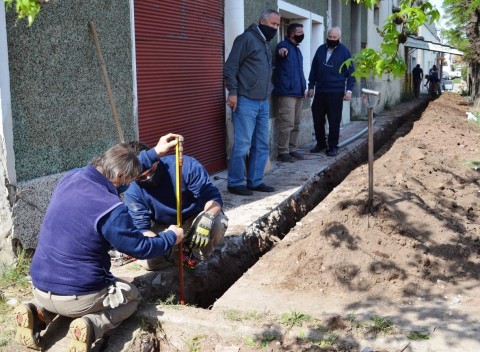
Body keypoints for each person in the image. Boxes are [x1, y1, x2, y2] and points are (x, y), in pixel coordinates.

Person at [13, 134, 183, 352]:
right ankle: (92, 325)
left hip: (40, 286)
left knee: (64, 290)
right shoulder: (110, 208)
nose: (130, 185)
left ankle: (37, 312)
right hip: (80, 294)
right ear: (121, 177)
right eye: (130, 180)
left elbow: (119, 164)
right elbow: (141, 248)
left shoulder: (71, 178)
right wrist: (171, 236)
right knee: (131, 297)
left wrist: (154, 153)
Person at [124, 141, 229, 270]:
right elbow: (142, 229)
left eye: (151, 170)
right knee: (150, 263)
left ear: (156, 159)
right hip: (165, 227)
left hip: (195, 217)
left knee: (217, 223)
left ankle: (197, 259)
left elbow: (213, 198)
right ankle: (175, 255)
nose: (148, 178)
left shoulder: (185, 166)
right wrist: (167, 239)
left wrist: (208, 217)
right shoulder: (132, 191)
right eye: (141, 177)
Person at [223, 8, 280, 196]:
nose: (276, 28)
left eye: (278, 25)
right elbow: (230, 67)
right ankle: (235, 182)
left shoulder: (265, 42)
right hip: (246, 100)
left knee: (262, 143)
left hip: (263, 101)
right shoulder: (246, 39)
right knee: (243, 144)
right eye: (273, 24)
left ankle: (255, 181)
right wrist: (232, 92)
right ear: (262, 22)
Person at [307, 27, 356, 157]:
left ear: (339, 38)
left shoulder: (345, 52)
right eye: (330, 37)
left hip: (336, 91)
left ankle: (333, 146)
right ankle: (321, 143)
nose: (332, 39)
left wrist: (349, 90)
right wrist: (311, 86)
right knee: (317, 119)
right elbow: (314, 69)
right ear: (327, 36)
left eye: (335, 38)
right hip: (320, 90)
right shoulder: (320, 50)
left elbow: (351, 74)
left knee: (334, 120)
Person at [273, 23, 307, 163]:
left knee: (296, 123)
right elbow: (281, 50)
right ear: (292, 34)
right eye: (300, 32)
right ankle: (283, 152)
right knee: (287, 123)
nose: (302, 34)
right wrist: (282, 51)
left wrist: (303, 88)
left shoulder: (298, 51)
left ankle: (292, 149)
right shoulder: (284, 45)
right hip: (287, 92)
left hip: (298, 92)